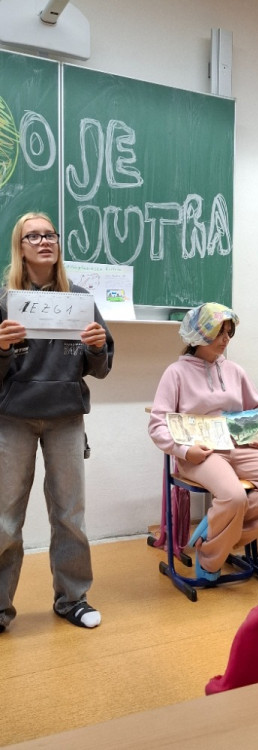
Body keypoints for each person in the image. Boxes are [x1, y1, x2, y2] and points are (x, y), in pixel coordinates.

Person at [0, 212, 114, 633]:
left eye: (50, 234)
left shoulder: (79, 300)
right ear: (20, 246)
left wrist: (98, 348)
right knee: (4, 519)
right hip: (13, 419)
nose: (44, 241)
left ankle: (72, 599)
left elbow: (100, 367)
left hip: (65, 418)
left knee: (69, 514)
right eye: (33, 236)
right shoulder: (5, 301)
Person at [148, 302, 258, 581]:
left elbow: (257, 408)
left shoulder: (234, 370)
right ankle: (210, 560)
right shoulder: (176, 373)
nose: (226, 339)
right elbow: (157, 425)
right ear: (199, 334)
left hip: (237, 448)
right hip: (200, 455)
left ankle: (215, 532)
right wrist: (185, 451)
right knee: (234, 496)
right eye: (219, 332)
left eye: (229, 332)